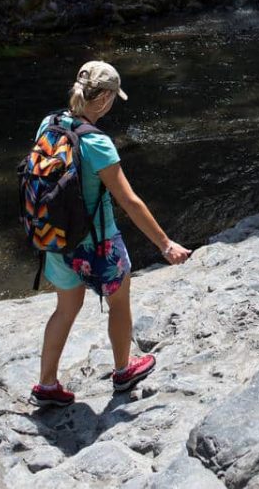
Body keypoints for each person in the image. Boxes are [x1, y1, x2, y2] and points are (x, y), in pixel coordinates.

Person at [31, 61, 192, 407]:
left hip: (56, 239)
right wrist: (165, 244)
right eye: (113, 98)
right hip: (97, 243)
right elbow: (130, 202)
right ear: (103, 98)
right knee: (119, 304)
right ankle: (123, 371)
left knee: (65, 308)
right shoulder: (97, 143)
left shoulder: (50, 123)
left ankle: (46, 384)